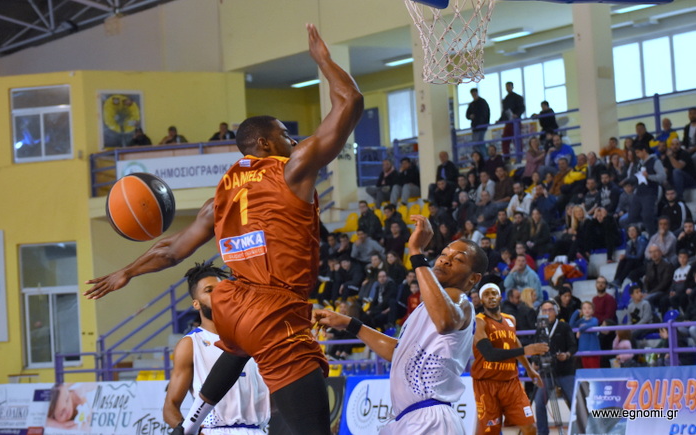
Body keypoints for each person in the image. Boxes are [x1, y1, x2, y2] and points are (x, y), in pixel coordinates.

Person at [84, 25, 363, 435]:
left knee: (237, 344)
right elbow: (351, 101)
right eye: (286, 134)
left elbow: (172, 250)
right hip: (275, 308)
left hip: (234, 305)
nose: (293, 140)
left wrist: (127, 271)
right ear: (265, 144)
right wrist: (323, 59)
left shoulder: (221, 195)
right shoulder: (292, 169)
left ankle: (192, 423)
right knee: (315, 428)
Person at [314, 215, 486, 434]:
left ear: (473, 279)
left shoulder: (460, 299)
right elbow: (399, 352)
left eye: (458, 259)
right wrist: (350, 323)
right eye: (443, 254)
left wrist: (415, 252)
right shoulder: (426, 308)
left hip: (431, 419)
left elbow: (445, 321)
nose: (445, 260)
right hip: (410, 417)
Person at [164, 263, 270, 434]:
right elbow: (170, 406)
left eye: (221, 289)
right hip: (214, 430)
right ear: (196, 304)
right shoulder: (191, 344)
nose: (218, 294)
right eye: (209, 290)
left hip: (257, 429)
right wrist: (187, 431)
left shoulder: (251, 337)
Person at [472, 282, 547, 435]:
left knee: (530, 428)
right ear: (481, 300)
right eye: (486, 295)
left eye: (494, 293)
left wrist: (529, 369)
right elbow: (490, 354)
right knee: (489, 432)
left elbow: (514, 342)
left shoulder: (510, 319)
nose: (491, 297)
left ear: (500, 297)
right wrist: (525, 350)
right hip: (487, 384)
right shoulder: (479, 321)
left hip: (511, 383)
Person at [533, 300, 578, 435]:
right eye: (544, 310)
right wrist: (535, 361)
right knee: (539, 402)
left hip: (565, 370)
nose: (547, 313)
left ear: (556, 311)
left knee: (574, 402)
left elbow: (573, 346)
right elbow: (535, 349)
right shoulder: (540, 329)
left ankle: (580, 430)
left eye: (550, 310)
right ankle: (542, 432)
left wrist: (567, 354)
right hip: (546, 371)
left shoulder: (564, 326)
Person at [628, 141, 666, 236]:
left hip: (650, 192)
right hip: (639, 192)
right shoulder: (639, 163)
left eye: (638, 152)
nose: (637, 155)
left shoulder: (655, 161)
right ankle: (638, 235)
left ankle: (652, 237)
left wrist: (649, 176)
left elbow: (662, 177)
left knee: (647, 216)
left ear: (644, 150)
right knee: (632, 216)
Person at [569, 301, 601, 369]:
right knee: (586, 370)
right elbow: (571, 325)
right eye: (584, 308)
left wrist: (580, 330)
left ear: (593, 311)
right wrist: (576, 312)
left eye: (589, 308)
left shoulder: (594, 319)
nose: (587, 310)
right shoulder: (581, 321)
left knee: (594, 370)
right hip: (583, 350)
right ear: (582, 310)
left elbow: (593, 324)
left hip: (593, 350)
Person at [497, 82, 525, 156]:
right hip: (509, 122)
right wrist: (500, 120)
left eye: (509, 86)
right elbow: (504, 112)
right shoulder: (506, 99)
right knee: (505, 140)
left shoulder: (517, 97)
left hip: (516, 122)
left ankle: (519, 156)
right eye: (506, 87)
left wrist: (517, 114)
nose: (508, 88)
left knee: (517, 140)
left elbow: (522, 108)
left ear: (512, 87)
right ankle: (507, 157)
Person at [466, 88, 491, 155]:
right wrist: (470, 116)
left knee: (479, 144)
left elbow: (485, 114)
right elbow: (467, 115)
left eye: (474, 93)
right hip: (475, 127)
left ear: (477, 93)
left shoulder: (482, 102)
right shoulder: (472, 104)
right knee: (476, 145)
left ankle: (485, 157)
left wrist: (481, 122)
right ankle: (481, 157)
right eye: (472, 94)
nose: (474, 95)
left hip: (481, 126)